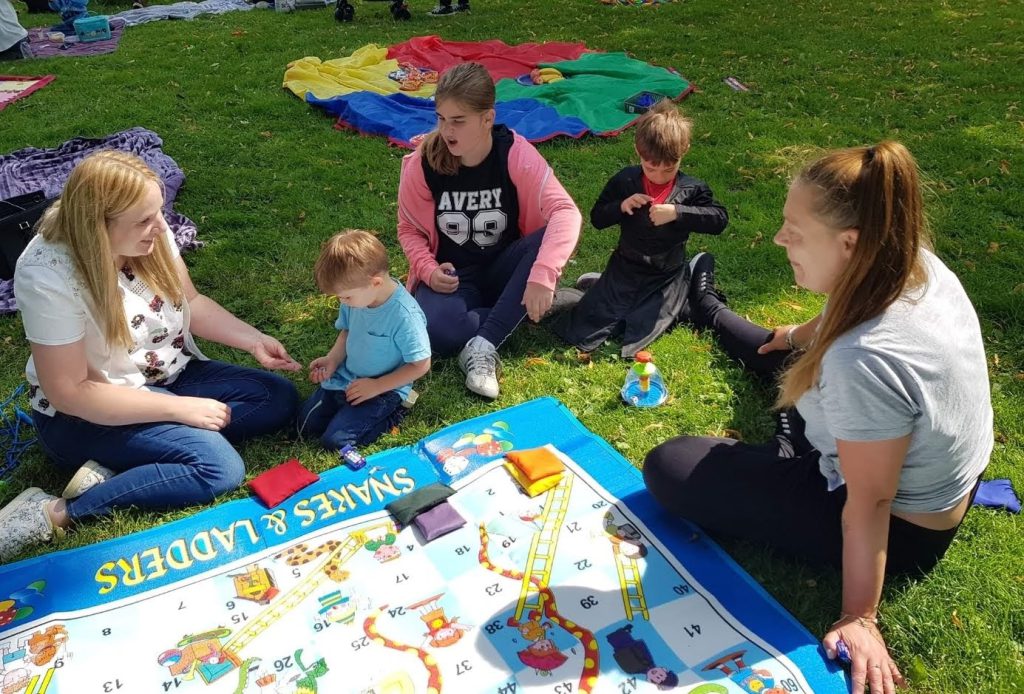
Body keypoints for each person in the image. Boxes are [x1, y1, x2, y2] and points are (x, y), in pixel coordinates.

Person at [643, 142, 993, 693]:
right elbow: (839, 315)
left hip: (903, 526)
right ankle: (705, 307)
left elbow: (871, 501)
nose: (781, 239)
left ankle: (786, 442)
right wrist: (790, 337)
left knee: (671, 466)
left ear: (849, 243)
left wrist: (861, 616)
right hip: (922, 470)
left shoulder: (863, 358)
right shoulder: (907, 259)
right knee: (773, 350)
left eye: (794, 231)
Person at [0, 151, 301, 562]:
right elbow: (70, 390)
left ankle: (133, 461)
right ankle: (57, 512)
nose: (161, 226)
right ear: (97, 227)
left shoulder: (152, 234)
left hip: (164, 374)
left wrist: (252, 340)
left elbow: (191, 299)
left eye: (159, 211)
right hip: (84, 414)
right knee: (217, 468)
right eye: (144, 220)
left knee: (276, 398)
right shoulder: (48, 274)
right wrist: (178, 411)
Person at [397, 62, 582, 399]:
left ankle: (485, 343)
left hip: (506, 267)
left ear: (487, 118)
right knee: (435, 333)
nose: (447, 130)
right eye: (441, 118)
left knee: (546, 241)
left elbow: (566, 212)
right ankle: (524, 308)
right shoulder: (424, 162)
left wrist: (542, 275)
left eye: (458, 121)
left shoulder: (513, 152)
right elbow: (408, 230)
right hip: (455, 277)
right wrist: (427, 269)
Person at [550, 99, 728, 357]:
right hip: (625, 267)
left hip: (664, 274)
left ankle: (690, 281)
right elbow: (598, 218)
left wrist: (678, 212)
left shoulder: (692, 189)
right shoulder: (626, 180)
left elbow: (719, 219)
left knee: (648, 324)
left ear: (684, 151)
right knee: (586, 324)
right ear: (638, 151)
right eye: (650, 167)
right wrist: (621, 206)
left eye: (669, 169)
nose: (658, 175)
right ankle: (598, 285)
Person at [297, 230, 431, 452]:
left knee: (335, 442)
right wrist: (332, 359)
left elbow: (421, 364)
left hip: (384, 388)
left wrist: (377, 386)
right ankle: (344, 410)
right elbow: (346, 332)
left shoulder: (404, 315)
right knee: (305, 426)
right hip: (347, 378)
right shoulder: (356, 300)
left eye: (346, 297)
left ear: (375, 282)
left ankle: (396, 412)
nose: (343, 302)